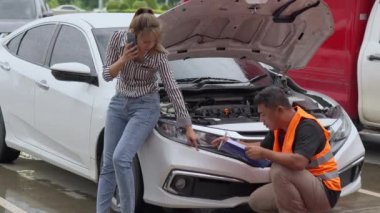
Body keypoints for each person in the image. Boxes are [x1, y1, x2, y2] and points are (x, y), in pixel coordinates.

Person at [96, 8, 198, 213]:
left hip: (145, 107)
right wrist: (123, 59)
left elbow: (171, 87)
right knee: (108, 164)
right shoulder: (118, 40)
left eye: (153, 41)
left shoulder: (158, 55)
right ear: (134, 35)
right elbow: (107, 75)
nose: (148, 46)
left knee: (121, 158)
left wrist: (187, 125)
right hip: (119, 104)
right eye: (145, 42)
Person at [212, 86, 341, 213]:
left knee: (280, 169)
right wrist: (231, 143)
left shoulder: (307, 127)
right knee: (257, 201)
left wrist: (264, 154)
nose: (261, 120)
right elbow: (261, 146)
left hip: (325, 192)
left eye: (263, 115)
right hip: (304, 186)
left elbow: (299, 162)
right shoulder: (279, 129)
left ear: (279, 110)